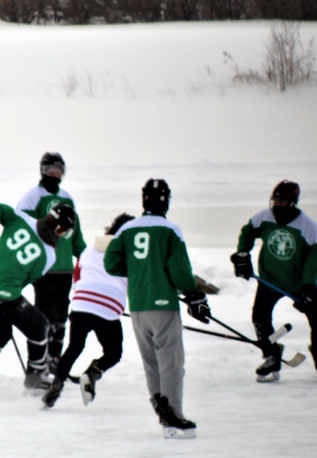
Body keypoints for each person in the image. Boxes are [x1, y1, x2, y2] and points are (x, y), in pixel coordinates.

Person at [104, 179, 210, 439]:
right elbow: (180, 270)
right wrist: (193, 294)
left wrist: (140, 271)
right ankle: (174, 415)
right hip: (163, 306)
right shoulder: (170, 230)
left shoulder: (127, 229)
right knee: (171, 362)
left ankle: (160, 408)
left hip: (138, 306)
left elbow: (111, 263)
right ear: (166, 200)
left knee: (151, 362)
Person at [0, 202, 77, 396]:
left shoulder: (22, 218)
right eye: (64, 230)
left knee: (0, 332)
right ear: (58, 227)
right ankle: (36, 375)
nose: (62, 235)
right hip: (1, 293)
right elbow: (27, 279)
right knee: (40, 326)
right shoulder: (49, 256)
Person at [230, 179, 317, 382]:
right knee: (260, 318)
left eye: (281, 203)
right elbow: (247, 232)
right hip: (269, 280)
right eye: (274, 201)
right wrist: (242, 254)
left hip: (300, 284)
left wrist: (307, 287)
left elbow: (313, 260)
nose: (276, 206)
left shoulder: (308, 226)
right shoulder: (264, 217)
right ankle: (271, 356)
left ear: (292, 203)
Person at [42, 212, 134, 409]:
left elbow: (78, 274)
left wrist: (83, 297)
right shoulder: (129, 250)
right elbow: (134, 280)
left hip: (82, 303)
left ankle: (55, 386)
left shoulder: (92, 247)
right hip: (108, 306)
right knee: (113, 352)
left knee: (75, 347)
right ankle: (92, 373)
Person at [17, 152, 87, 380]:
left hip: (65, 268)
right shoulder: (32, 197)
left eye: (59, 170)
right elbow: (22, 228)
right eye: (51, 170)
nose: (55, 174)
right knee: (44, 317)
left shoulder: (68, 198)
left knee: (60, 318)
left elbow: (76, 234)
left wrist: (85, 259)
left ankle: (55, 362)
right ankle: (37, 364)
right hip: (43, 268)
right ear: (43, 171)